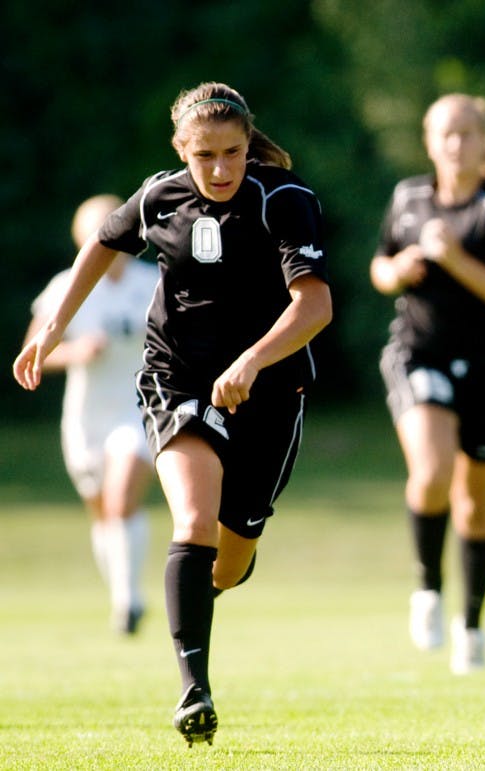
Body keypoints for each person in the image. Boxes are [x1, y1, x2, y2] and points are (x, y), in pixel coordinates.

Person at [13, 82, 332, 748]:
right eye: (204, 156)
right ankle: (194, 689)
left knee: (230, 558)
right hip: (176, 377)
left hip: (269, 391)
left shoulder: (284, 201)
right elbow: (102, 245)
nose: (218, 169)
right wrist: (53, 327)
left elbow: (314, 307)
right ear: (180, 151)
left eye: (232, 154)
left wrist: (251, 362)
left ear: (250, 146)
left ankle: (201, 593)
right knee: (192, 518)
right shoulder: (160, 195)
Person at [370, 93, 485, 675]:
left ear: (483, 139)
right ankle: (427, 590)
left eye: (466, 133)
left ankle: (471, 625)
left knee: (478, 504)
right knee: (433, 471)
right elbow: (381, 265)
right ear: (428, 138)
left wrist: (455, 259)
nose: (455, 144)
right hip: (420, 354)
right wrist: (397, 270)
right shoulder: (409, 197)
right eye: (445, 133)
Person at [23, 194, 158, 636]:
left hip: (138, 409)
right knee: (103, 512)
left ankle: (128, 601)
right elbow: (35, 353)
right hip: (85, 417)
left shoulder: (152, 282)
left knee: (121, 501)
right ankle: (122, 592)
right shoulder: (66, 286)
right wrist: (76, 350)